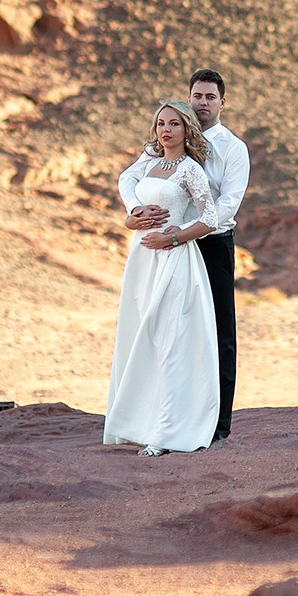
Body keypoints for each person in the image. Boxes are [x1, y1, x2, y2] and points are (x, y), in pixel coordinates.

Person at [126, 69, 248, 442]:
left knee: (218, 331)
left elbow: (227, 204)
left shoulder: (232, 148)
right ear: (189, 98)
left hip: (210, 244)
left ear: (222, 102)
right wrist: (136, 210)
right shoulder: (166, 142)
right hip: (163, 246)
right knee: (170, 330)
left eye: (211, 97)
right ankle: (168, 414)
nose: (203, 103)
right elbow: (128, 178)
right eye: (197, 96)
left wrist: (183, 233)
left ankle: (217, 425)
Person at [105, 99, 220, 455]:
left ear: (187, 129)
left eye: (174, 123)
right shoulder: (149, 165)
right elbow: (129, 195)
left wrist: (172, 236)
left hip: (174, 261)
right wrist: (131, 218)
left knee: (169, 343)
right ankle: (139, 424)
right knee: (140, 337)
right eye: (160, 124)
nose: (166, 130)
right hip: (142, 261)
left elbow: (210, 219)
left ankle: (167, 433)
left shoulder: (191, 170)